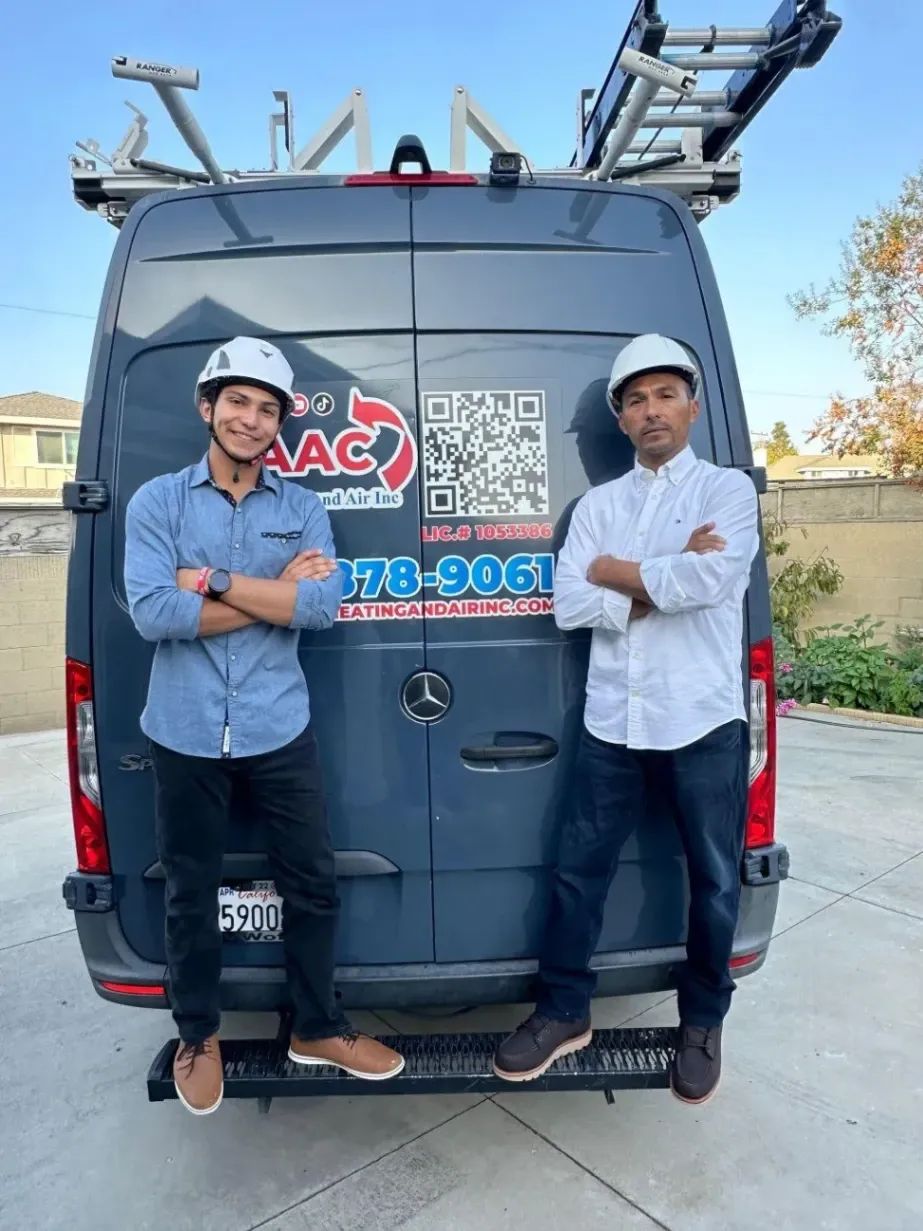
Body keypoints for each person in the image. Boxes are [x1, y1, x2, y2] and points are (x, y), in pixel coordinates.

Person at [123, 336, 404, 1116]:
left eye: (267, 407)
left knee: (312, 882)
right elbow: (153, 613)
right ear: (206, 406)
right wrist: (265, 593)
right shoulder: (158, 503)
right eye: (237, 402)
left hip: (279, 727)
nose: (250, 419)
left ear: (282, 422)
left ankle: (317, 1026)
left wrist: (210, 581)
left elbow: (318, 607)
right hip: (182, 731)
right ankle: (197, 1034)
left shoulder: (300, 505)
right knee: (188, 890)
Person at [493, 333, 759, 1104]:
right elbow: (567, 602)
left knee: (711, 883)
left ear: (692, 404)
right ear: (619, 416)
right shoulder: (598, 507)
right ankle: (563, 1009)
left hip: (702, 721)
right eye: (635, 399)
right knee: (577, 875)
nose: (651, 410)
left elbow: (711, 579)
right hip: (613, 721)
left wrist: (613, 570)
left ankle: (702, 1020)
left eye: (664, 394)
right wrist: (652, 572)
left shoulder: (725, 493)